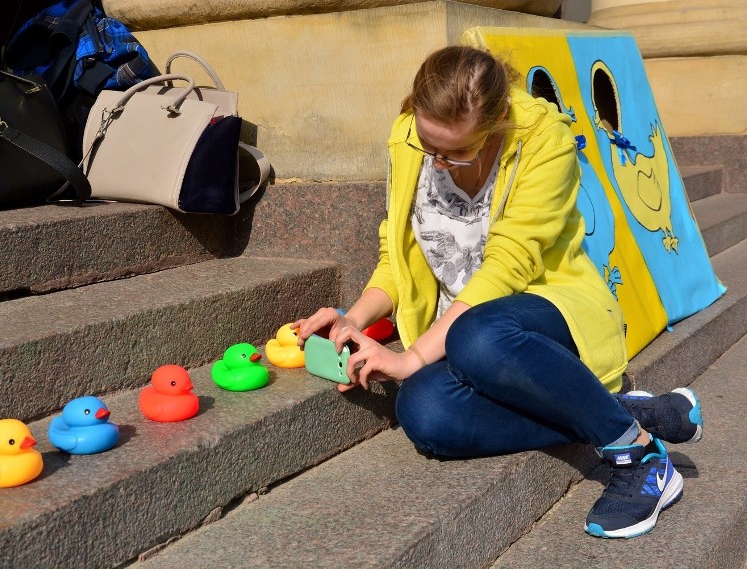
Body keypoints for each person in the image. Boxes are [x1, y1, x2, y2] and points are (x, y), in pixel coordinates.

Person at [294, 45, 703, 539]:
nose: (439, 162)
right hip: (461, 336)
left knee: (477, 336)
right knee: (424, 413)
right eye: (430, 146)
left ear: (499, 121)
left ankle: (637, 454)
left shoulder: (545, 139)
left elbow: (506, 268)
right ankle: (615, 408)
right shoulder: (407, 137)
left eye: (457, 151)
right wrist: (352, 320)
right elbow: (400, 256)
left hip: (544, 318)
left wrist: (412, 357)